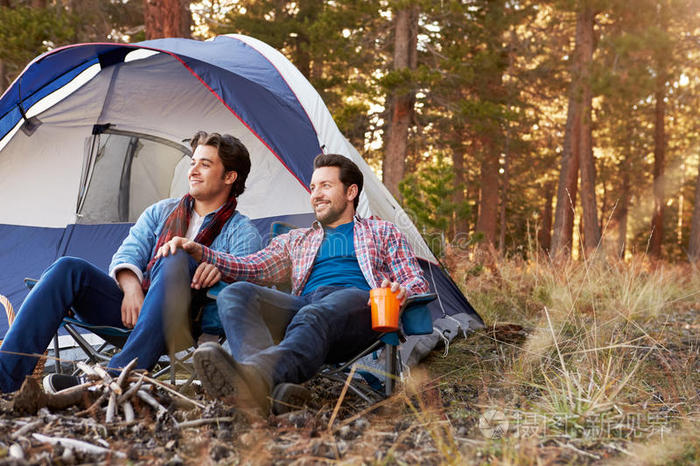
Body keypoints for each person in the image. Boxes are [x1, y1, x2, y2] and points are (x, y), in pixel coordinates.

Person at [157, 153, 429, 415]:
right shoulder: (297, 239)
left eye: (325, 185)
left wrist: (402, 291)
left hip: (359, 307)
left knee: (314, 312)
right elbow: (254, 266)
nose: (315, 194)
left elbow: (415, 280)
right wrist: (201, 251)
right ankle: (265, 388)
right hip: (305, 309)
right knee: (236, 293)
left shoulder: (382, 231)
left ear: (350, 192)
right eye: (312, 187)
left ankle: (254, 378)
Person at [0, 131, 262, 394]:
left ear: (229, 176)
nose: (193, 171)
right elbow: (129, 253)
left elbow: (248, 286)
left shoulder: (241, 231)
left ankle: (115, 378)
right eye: (192, 162)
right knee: (67, 269)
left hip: (183, 322)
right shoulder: (161, 211)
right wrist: (131, 287)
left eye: (205, 164)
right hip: (132, 310)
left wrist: (218, 269)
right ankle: (5, 377)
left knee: (177, 254)